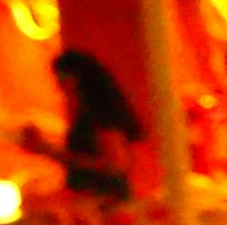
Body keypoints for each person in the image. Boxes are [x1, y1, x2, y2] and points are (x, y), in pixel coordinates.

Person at [36, 49, 146, 202]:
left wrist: (52, 153)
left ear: (77, 77)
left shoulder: (101, 113)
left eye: (61, 77)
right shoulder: (92, 111)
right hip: (94, 196)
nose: (58, 85)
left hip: (103, 197)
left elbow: (114, 164)